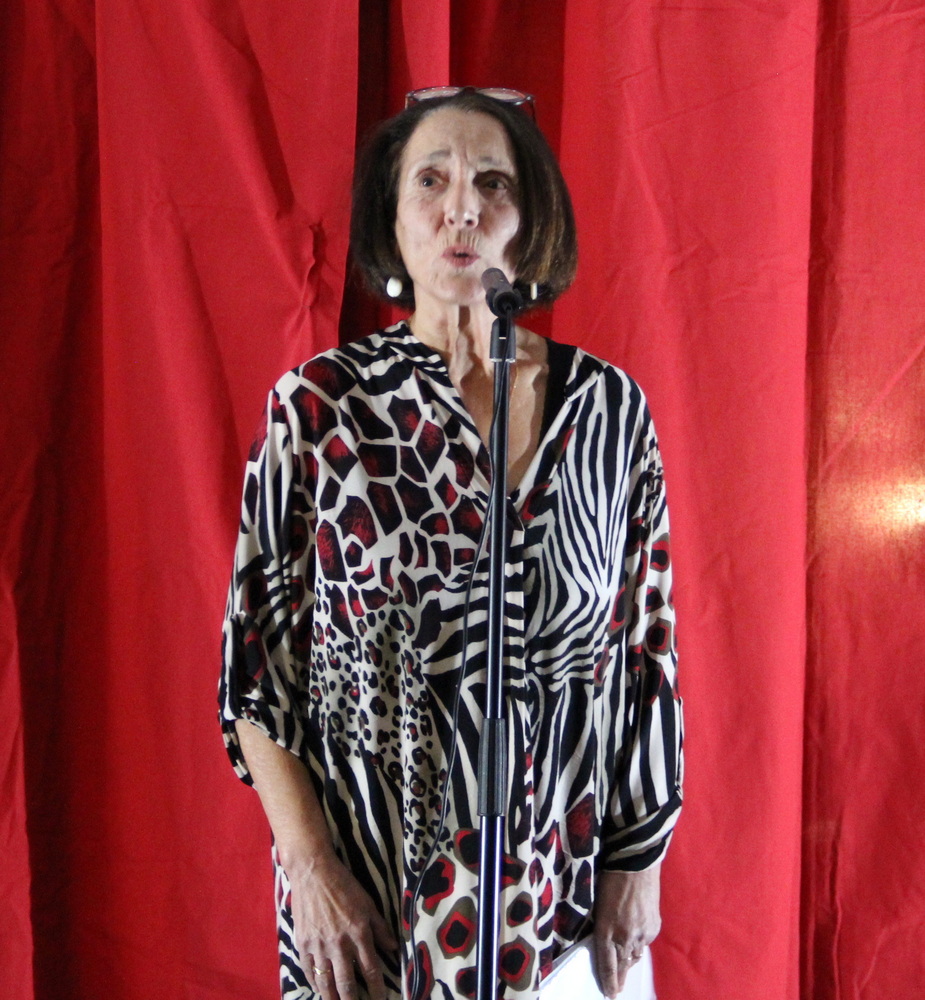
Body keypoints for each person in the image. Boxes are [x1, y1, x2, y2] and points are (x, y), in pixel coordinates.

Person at [219, 87, 683, 1000]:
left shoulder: (608, 411)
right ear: (391, 222)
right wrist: (311, 874)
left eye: (492, 183)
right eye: (430, 181)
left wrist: (639, 859)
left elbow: (648, 650)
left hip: (559, 910)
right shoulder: (319, 411)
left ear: (531, 220)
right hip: (372, 909)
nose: (462, 208)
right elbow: (254, 676)